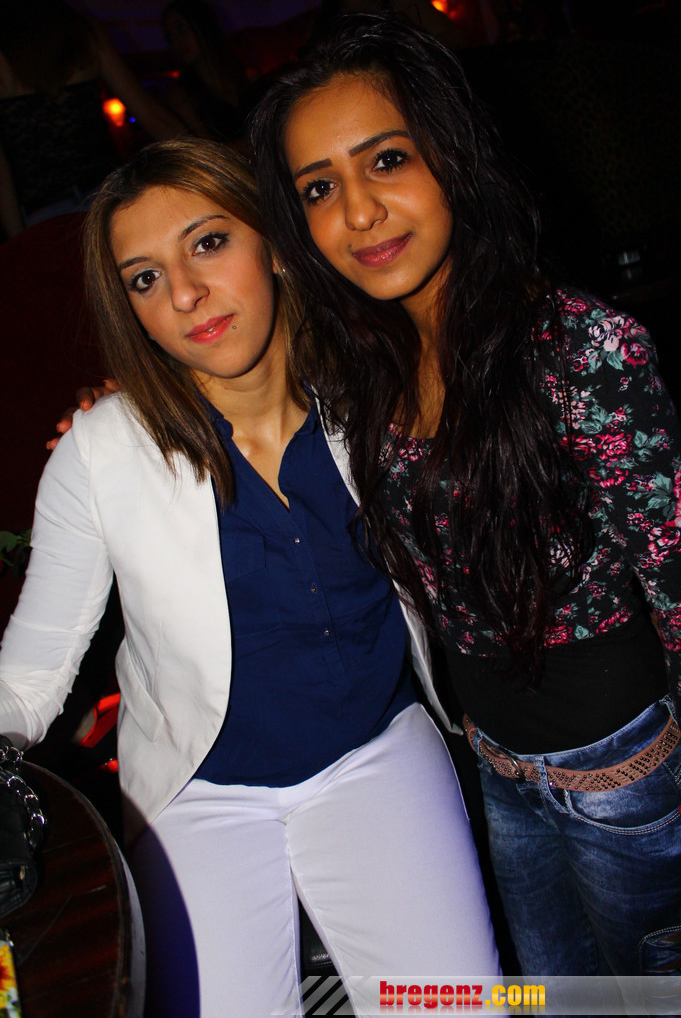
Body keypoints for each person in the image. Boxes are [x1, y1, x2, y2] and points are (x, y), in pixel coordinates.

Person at [0, 137, 500, 1017]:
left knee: (458, 1007)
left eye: (207, 243)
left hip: (375, 750)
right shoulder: (103, 452)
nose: (185, 293)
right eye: (144, 278)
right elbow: (29, 678)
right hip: (196, 791)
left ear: (272, 242)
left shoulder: (376, 387)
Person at [248, 14, 681, 978]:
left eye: (386, 160)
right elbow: (235, 377)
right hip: (492, 767)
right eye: (319, 188)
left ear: (452, 156)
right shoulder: (364, 368)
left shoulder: (577, 348)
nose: (359, 212)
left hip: (623, 784)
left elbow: (677, 580)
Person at [0, 0, 183, 237]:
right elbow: (151, 115)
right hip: (104, 195)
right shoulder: (82, 32)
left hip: (48, 211)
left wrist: (19, 240)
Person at [161, 0, 251, 144]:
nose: (176, 42)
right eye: (169, 37)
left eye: (181, 28)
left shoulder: (247, 79)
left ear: (203, 26)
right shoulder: (181, 97)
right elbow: (208, 150)